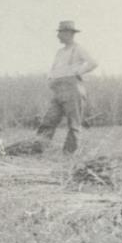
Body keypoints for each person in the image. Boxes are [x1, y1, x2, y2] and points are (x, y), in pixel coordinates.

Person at [35, 21, 98, 154]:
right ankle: (38, 150)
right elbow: (54, 68)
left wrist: (78, 72)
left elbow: (93, 63)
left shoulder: (78, 48)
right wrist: (50, 79)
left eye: (60, 33)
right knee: (48, 120)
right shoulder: (59, 52)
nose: (58, 36)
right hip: (58, 89)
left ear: (69, 34)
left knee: (74, 123)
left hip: (72, 88)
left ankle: (69, 155)